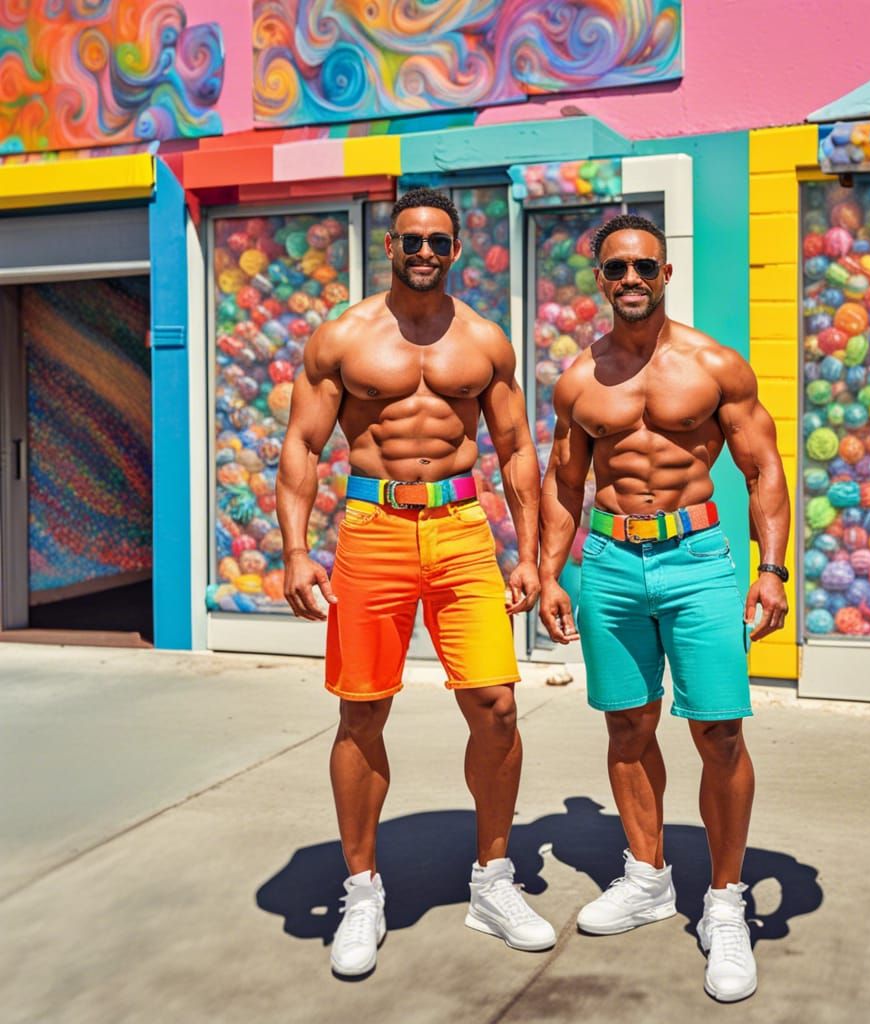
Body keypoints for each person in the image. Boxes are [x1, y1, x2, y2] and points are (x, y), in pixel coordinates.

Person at [277, 188, 555, 977]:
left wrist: (528, 553)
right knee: (362, 710)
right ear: (390, 247)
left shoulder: (484, 341)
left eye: (438, 241)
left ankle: (493, 881)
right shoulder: (346, 337)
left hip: (464, 532)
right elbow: (302, 445)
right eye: (410, 241)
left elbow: (517, 450)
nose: (424, 252)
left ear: (458, 248)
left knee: (497, 706)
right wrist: (296, 553)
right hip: (373, 530)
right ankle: (362, 890)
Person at [538, 214, 790, 1003]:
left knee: (718, 730)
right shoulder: (580, 377)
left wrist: (772, 569)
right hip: (609, 562)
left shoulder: (715, 365)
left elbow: (763, 470)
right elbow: (563, 481)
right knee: (627, 724)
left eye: (644, 265)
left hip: (698, 560)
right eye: (616, 268)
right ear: (601, 278)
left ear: (667, 271)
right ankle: (647, 876)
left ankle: (723, 903)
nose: (631, 279)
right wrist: (550, 574)